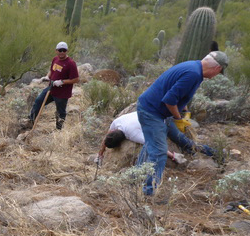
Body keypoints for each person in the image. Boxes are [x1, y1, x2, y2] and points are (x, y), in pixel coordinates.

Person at [136, 51, 228, 196]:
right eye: (219, 73)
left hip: (153, 109)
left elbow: (176, 93)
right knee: (159, 152)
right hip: (152, 112)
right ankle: (148, 192)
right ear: (217, 69)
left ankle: (137, 177)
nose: (216, 76)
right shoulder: (193, 74)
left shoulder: (194, 67)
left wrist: (184, 108)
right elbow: (169, 100)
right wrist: (178, 118)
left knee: (151, 144)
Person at [96, 111, 216, 164]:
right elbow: (106, 138)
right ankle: (193, 153)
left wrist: (173, 156)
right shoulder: (117, 122)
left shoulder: (131, 134)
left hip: (164, 121)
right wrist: (100, 154)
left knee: (186, 143)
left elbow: (154, 144)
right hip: (155, 113)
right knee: (186, 146)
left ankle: (214, 153)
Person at [29, 41, 79, 130]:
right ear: (56, 51)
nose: (62, 52)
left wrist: (62, 82)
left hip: (62, 93)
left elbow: (76, 79)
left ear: (67, 51)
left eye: (64, 50)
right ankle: (30, 122)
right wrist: (47, 77)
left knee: (60, 113)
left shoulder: (71, 63)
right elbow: (52, 70)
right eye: (60, 50)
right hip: (51, 89)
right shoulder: (55, 59)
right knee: (38, 102)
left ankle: (59, 130)